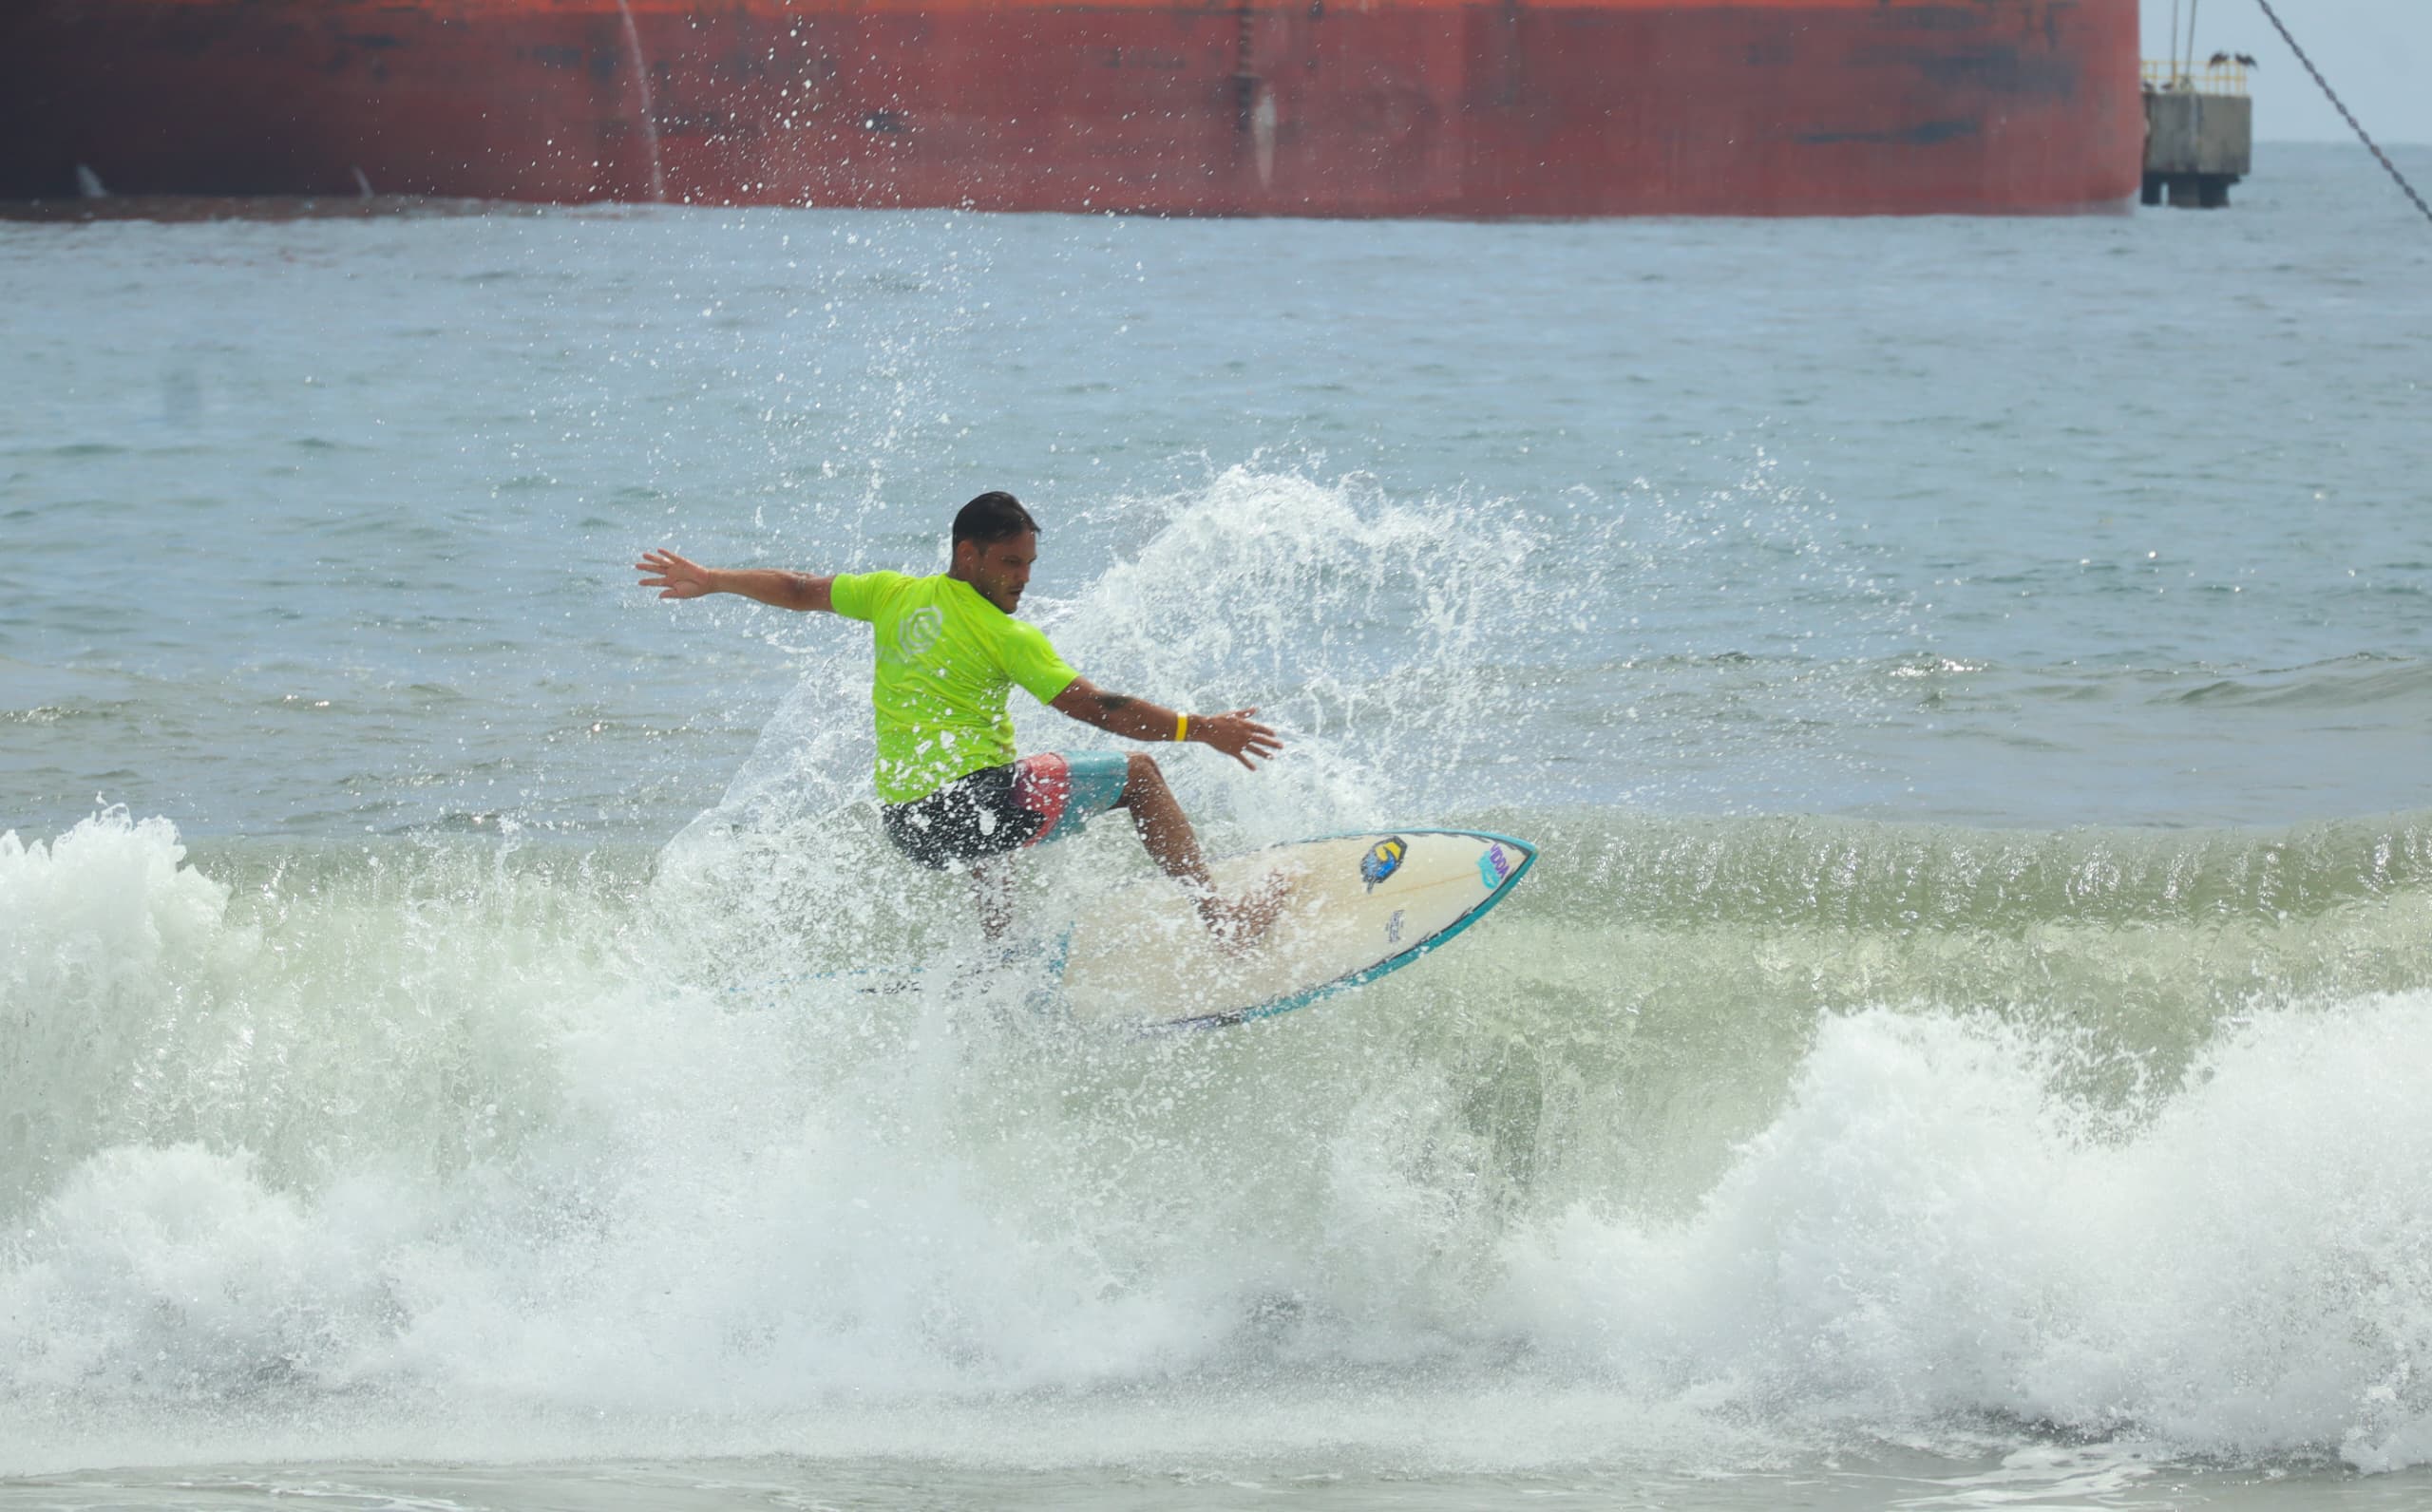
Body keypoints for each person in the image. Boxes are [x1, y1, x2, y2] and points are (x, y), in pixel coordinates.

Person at [636, 491, 1286, 941]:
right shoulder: (1007, 636)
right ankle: (1222, 922)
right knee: (1139, 775)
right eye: (1010, 564)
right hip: (966, 807)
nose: (1022, 580)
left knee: (992, 792)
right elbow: (1096, 708)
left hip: (909, 824)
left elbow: (803, 590)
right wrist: (1198, 729)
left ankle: (1001, 954)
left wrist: (714, 578)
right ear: (968, 554)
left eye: (1029, 566)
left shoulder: (892, 596)